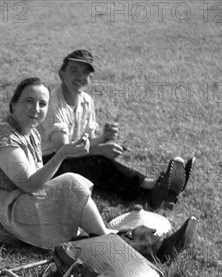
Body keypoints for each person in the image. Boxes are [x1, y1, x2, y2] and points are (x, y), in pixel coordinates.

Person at [0, 77, 196, 262]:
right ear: (13, 104)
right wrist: (62, 154)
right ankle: (135, 243)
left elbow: (35, 182)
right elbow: (28, 183)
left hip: (17, 202)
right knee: (72, 183)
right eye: (29, 101)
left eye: (42, 104)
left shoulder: (31, 133)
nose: (36, 109)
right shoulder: (4, 137)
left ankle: (139, 241)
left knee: (72, 190)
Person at [38, 49, 196, 209]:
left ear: (90, 79)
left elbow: (84, 142)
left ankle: (156, 192)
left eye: (85, 73)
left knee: (99, 163)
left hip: (70, 157)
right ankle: (154, 186)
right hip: (49, 165)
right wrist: (99, 149)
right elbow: (63, 150)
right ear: (61, 74)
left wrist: (103, 138)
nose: (80, 77)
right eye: (74, 70)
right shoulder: (53, 103)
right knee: (97, 162)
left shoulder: (86, 100)